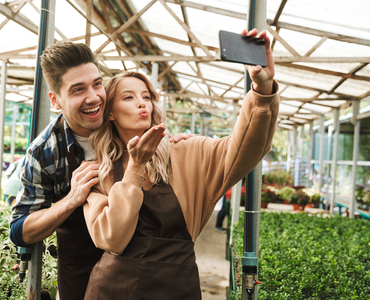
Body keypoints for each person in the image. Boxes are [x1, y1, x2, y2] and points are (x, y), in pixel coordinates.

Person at [82, 28, 279, 299]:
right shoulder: (97, 170)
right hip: (113, 290)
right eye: (128, 97)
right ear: (111, 113)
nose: (142, 103)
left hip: (176, 289)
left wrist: (262, 89)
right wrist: (135, 169)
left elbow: (246, 147)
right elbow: (113, 240)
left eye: (147, 96)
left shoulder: (187, 152)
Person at [9, 42, 192, 300]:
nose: (94, 97)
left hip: (147, 271)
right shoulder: (46, 152)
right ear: (55, 100)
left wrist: (174, 144)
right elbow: (20, 230)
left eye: (97, 84)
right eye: (77, 90)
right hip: (81, 275)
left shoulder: (127, 122)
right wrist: (71, 200)